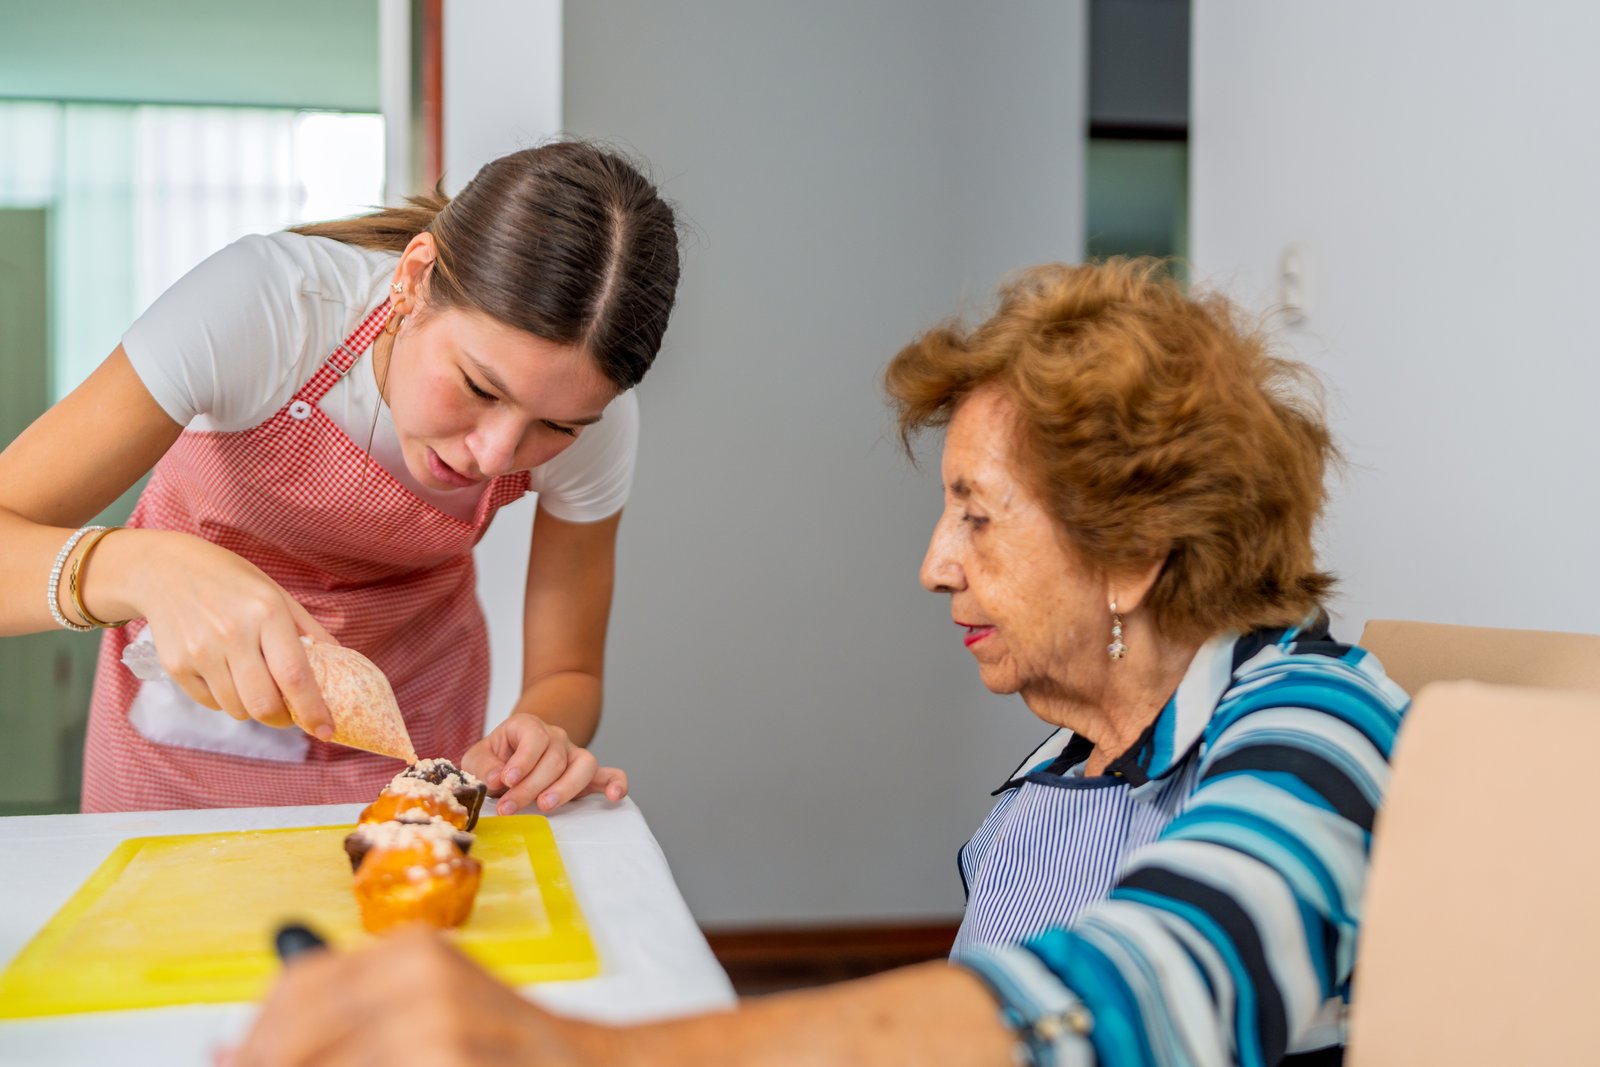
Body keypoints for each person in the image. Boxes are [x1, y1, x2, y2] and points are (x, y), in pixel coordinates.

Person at [227, 259, 1408, 1066]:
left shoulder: (1318, 723)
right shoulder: (1076, 752)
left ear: (1134, 553)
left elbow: (1146, 991)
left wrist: (577, 1049)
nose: (934, 565)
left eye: (977, 517)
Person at [0, 141, 681, 816]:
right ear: (413, 278)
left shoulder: (596, 417)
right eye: (478, 386)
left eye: (555, 428)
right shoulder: (267, 307)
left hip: (414, 744)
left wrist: (542, 731)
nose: (497, 454)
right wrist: (139, 565)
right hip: (183, 750)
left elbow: (569, 674)